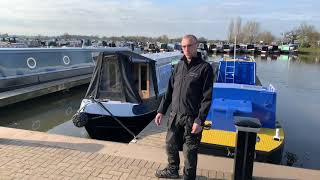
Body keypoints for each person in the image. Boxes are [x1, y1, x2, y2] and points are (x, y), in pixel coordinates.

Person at [154, 34, 214, 180]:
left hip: (191, 118)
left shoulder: (204, 68)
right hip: (175, 115)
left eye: (189, 45)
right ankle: (172, 170)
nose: (186, 49)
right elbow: (169, 91)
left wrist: (200, 120)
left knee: (190, 151)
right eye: (183, 46)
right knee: (170, 144)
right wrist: (161, 110)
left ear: (196, 45)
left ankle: (188, 177)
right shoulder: (179, 66)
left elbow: (207, 98)